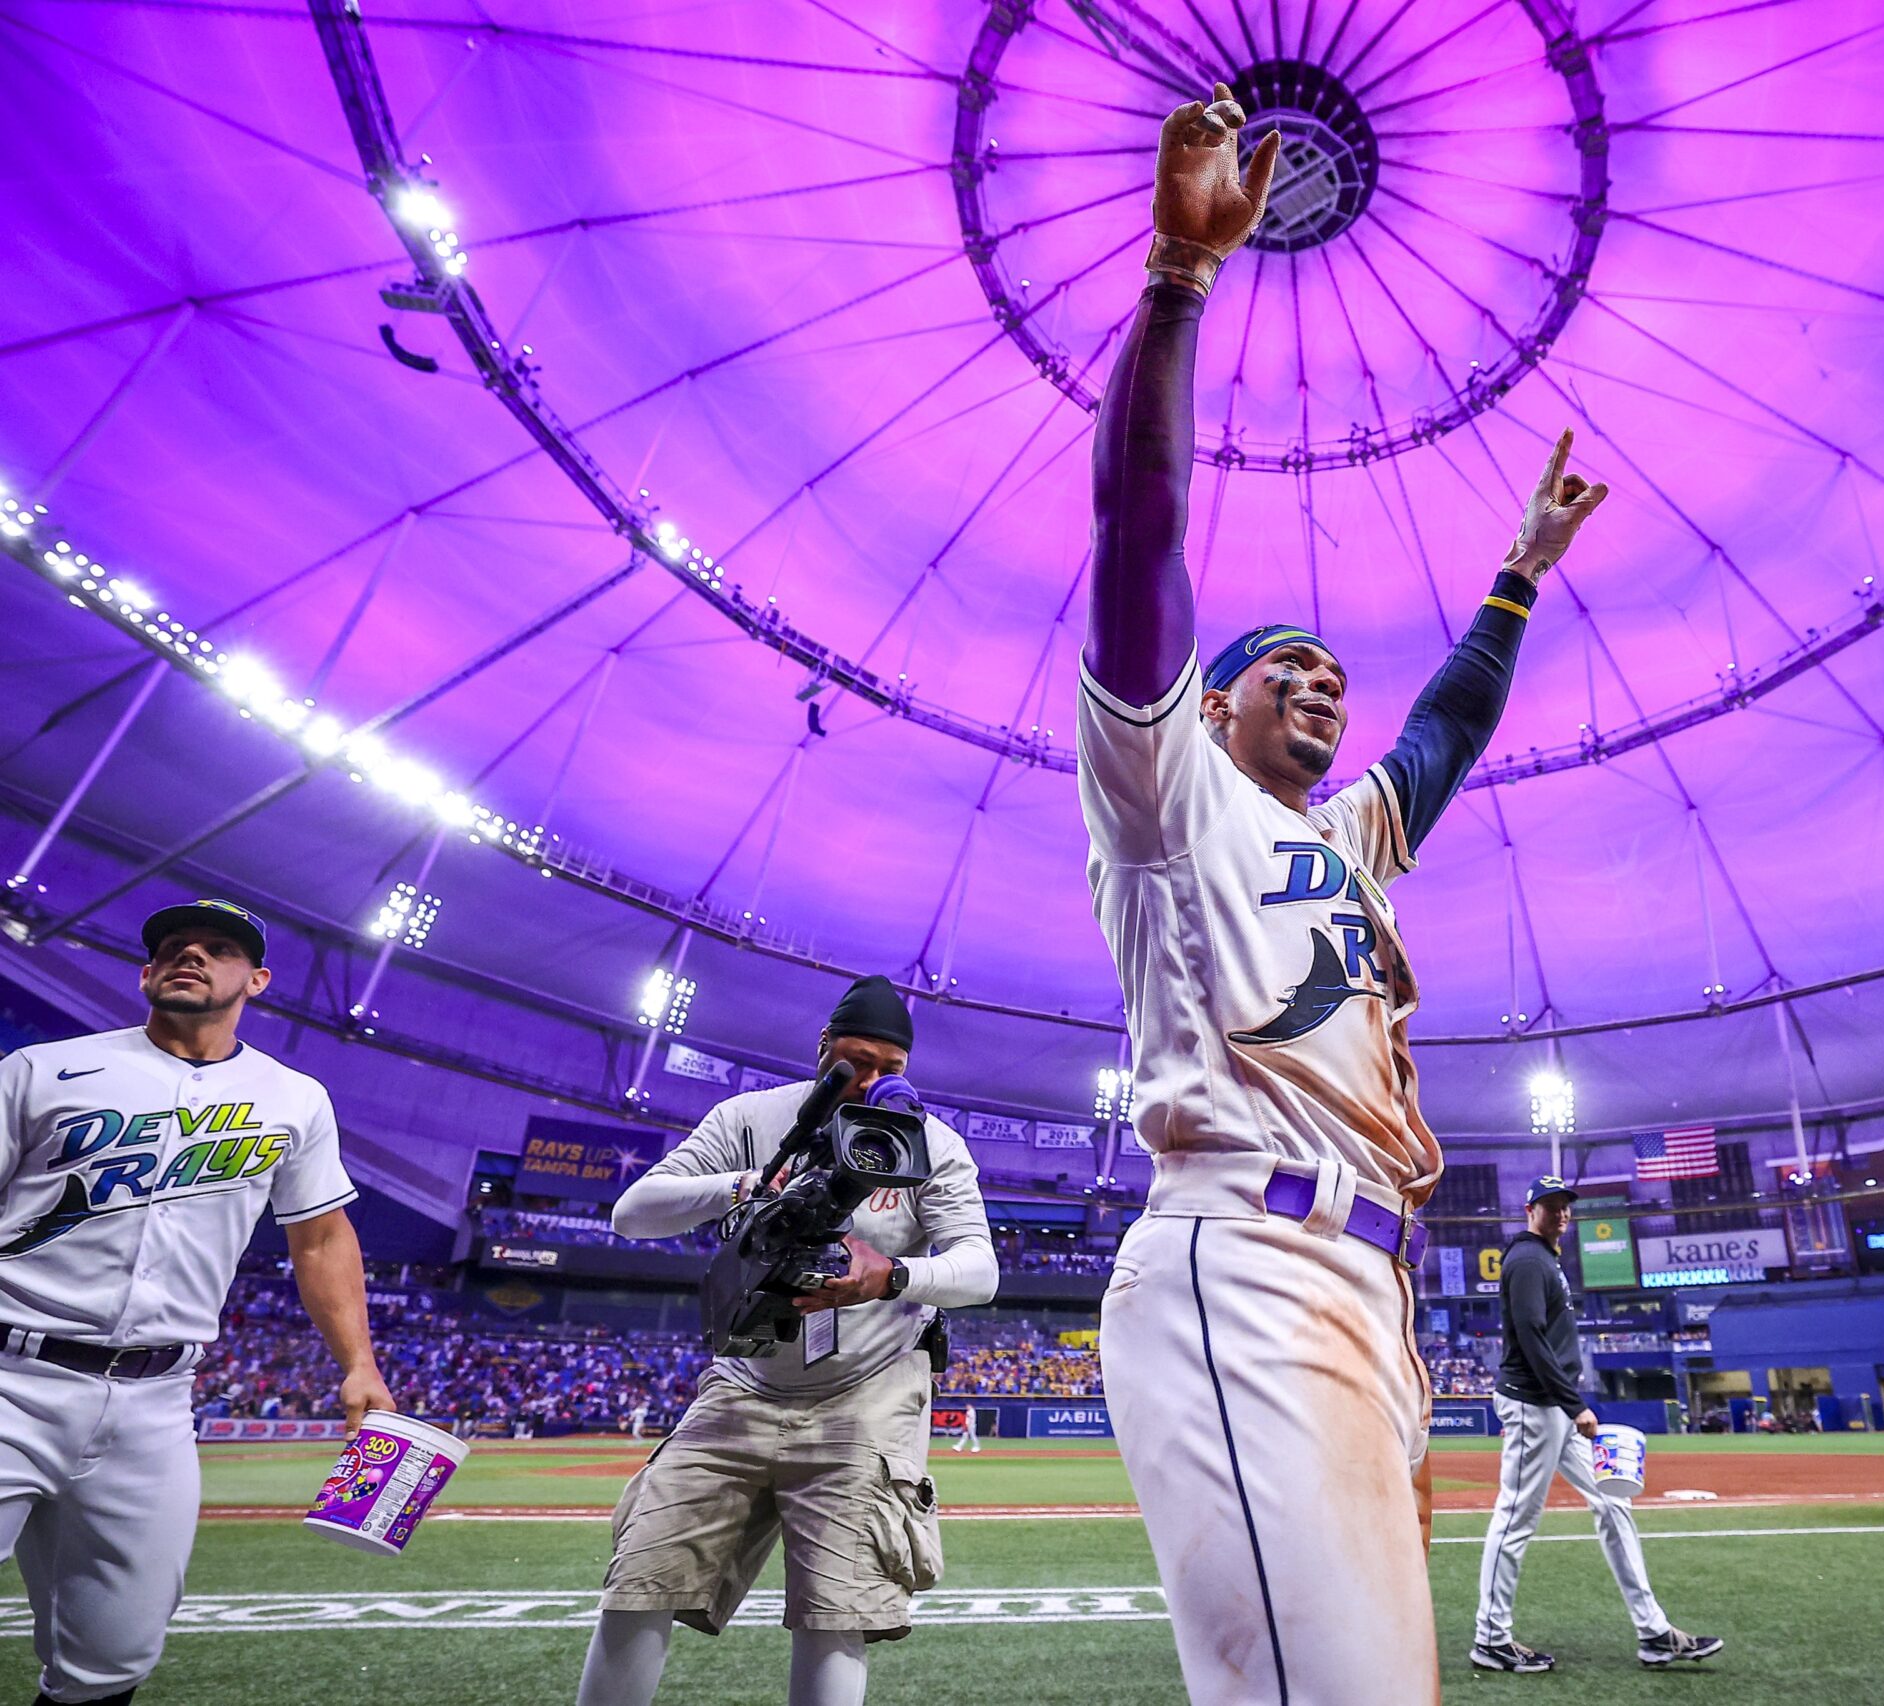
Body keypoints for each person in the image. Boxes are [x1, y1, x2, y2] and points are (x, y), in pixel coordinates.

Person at [1076, 83, 1611, 1704]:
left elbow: (1444, 732)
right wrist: (1178, 279)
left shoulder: (1352, 836)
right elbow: (1139, 528)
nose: (1319, 680)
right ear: (1209, 703)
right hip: (1248, 1248)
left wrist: (1513, 580)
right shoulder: (1166, 794)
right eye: (1279, 668)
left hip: (1377, 1288)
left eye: (1332, 674)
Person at [0, 898, 392, 1705]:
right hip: (11, 1373)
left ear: (257, 980)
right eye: (175, 947)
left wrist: (360, 1363)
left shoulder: (293, 1098)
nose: (192, 956)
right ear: (146, 973)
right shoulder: (40, 1070)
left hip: (156, 1404)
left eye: (217, 949)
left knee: (110, 1661)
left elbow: (319, 1238)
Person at [575, 976, 997, 1706]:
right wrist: (752, 1185)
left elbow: (979, 1270)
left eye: (889, 1069)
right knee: (642, 1577)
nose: (869, 1080)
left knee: (840, 1607)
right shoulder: (750, 1117)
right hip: (744, 1381)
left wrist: (890, 1274)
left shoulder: (931, 1144)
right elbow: (634, 1213)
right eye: (855, 1059)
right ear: (822, 1047)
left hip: (868, 1390)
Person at [1473, 1178, 1720, 1674]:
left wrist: (1568, 1403)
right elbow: (1530, 1336)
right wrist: (1574, 1403)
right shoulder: (1525, 1261)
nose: (1562, 1213)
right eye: (1551, 1206)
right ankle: (1490, 1638)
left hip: (1554, 1406)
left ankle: (1654, 1634)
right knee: (1516, 1518)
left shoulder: (1546, 1258)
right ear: (1530, 1210)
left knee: (1613, 1502)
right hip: (1535, 1405)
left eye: (1566, 1206)